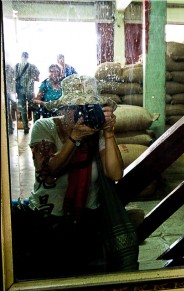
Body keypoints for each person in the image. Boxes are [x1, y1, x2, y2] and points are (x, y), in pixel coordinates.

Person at [11, 74, 139, 278]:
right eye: (74, 107)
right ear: (63, 109)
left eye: (88, 108)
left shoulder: (96, 133)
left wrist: (108, 133)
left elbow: (115, 173)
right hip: (48, 222)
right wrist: (73, 139)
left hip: (87, 225)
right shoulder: (44, 127)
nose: (80, 113)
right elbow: (49, 170)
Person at [14, 52, 40, 134]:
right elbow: (37, 77)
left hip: (21, 90)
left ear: (21, 57)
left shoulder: (17, 66)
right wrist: (31, 79)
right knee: (34, 108)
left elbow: (15, 78)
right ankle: (36, 127)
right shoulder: (32, 66)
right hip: (30, 90)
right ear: (28, 57)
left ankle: (25, 127)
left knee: (23, 109)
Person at [5, 63, 16, 134]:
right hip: (8, 93)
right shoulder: (9, 67)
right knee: (7, 112)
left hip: (8, 93)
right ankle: (10, 128)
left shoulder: (8, 67)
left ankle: (10, 128)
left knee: (7, 112)